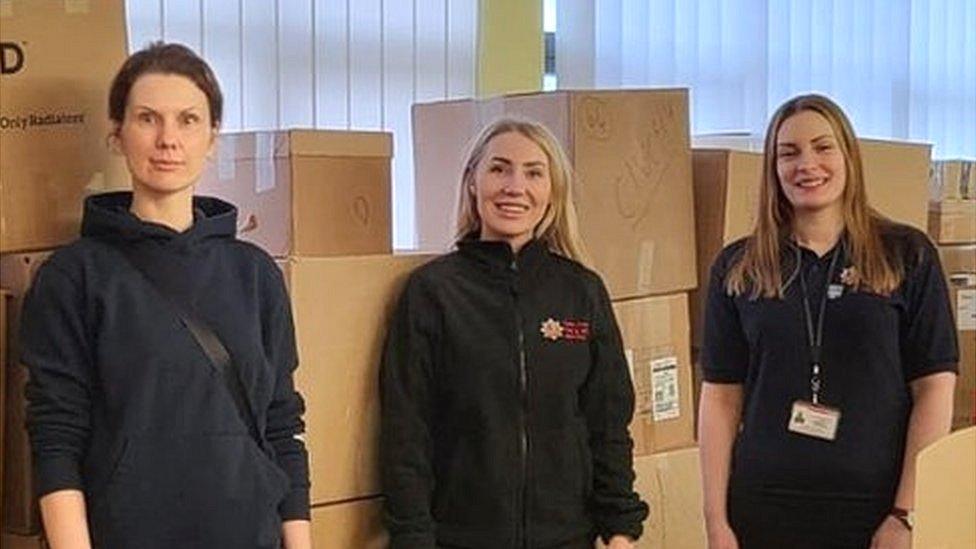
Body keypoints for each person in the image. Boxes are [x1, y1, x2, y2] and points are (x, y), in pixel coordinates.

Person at [20, 42, 311, 548]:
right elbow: (55, 434)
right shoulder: (74, 275)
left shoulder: (256, 274)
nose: (168, 139)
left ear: (213, 139)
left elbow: (282, 426)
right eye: (148, 118)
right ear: (117, 135)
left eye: (188, 120)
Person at [698, 93, 958, 549]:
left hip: (875, 511)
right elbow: (720, 398)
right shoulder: (738, 267)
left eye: (823, 147)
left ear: (848, 157)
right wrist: (716, 521)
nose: (807, 164)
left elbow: (935, 388)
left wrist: (906, 513)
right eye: (789, 153)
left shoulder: (906, 254)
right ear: (773, 169)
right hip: (763, 509)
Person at [380, 118, 649, 548]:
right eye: (499, 169)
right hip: (460, 539)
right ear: (473, 182)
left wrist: (620, 528)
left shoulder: (582, 291)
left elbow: (608, 422)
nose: (514, 186)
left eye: (533, 173)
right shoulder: (433, 292)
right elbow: (405, 432)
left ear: (552, 192)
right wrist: (413, 538)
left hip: (567, 538)